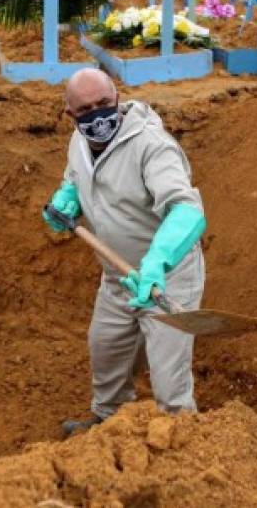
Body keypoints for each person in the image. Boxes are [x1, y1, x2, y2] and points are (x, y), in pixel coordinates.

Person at [43, 68, 206, 435]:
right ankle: (108, 425)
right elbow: (76, 178)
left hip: (166, 278)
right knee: (107, 351)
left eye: (103, 104)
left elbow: (186, 210)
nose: (97, 115)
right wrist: (66, 201)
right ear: (71, 115)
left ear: (117, 98)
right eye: (85, 110)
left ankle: (183, 442)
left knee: (168, 378)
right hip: (118, 278)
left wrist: (156, 263)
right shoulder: (79, 143)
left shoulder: (152, 145)